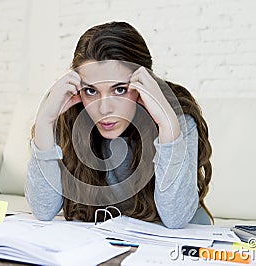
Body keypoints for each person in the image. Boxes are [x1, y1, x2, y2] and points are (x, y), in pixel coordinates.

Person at [26, 21, 213, 228]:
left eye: (120, 90)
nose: (104, 109)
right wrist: (44, 122)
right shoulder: (71, 113)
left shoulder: (176, 117)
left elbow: (176, 219)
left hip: (184, 243)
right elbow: (43, 210)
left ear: (144, 83)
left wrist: (167, 127)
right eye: (91, 91)